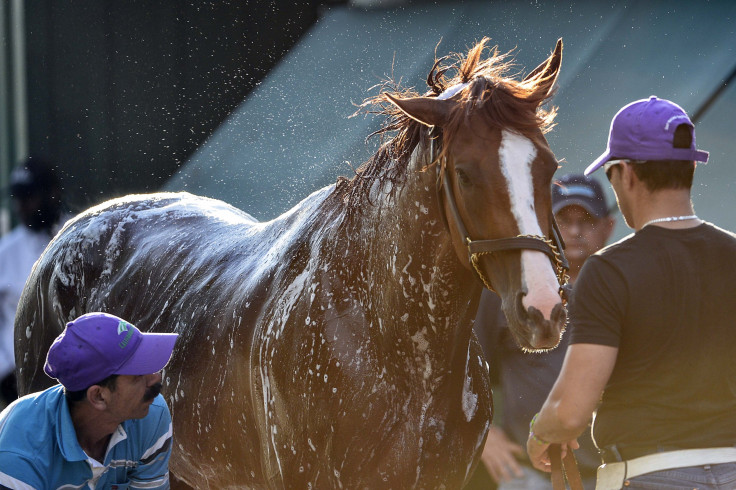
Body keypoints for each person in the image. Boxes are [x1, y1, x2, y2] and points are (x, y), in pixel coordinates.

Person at [526, 96, 736, 489]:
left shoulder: (608, 271)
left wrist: (542, 432)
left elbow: (570, 413)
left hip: (649, 475)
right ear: (691, 165)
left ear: (625, 174)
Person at [474, 173, 614, 489]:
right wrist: (482, 435)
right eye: (564, 219)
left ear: (609, 226)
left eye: (587, 220)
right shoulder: (507, 291)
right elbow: (460, 373)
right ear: (543, 225)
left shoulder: (625, 290)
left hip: (616, 473)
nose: (576, 231)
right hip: (529, 476)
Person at [0, 312, 179, 489]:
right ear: (99, 396)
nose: (155, 378)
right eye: (138, 375)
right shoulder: (17, 457)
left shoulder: (153, 415)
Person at [0, 156, 67, 406]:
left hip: (78, 377)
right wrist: (5, 369)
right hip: (18, 381)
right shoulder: (5, 251)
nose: (22, 206)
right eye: (18, 198)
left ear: (53, 193)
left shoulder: (80, 234)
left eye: (29, 196)